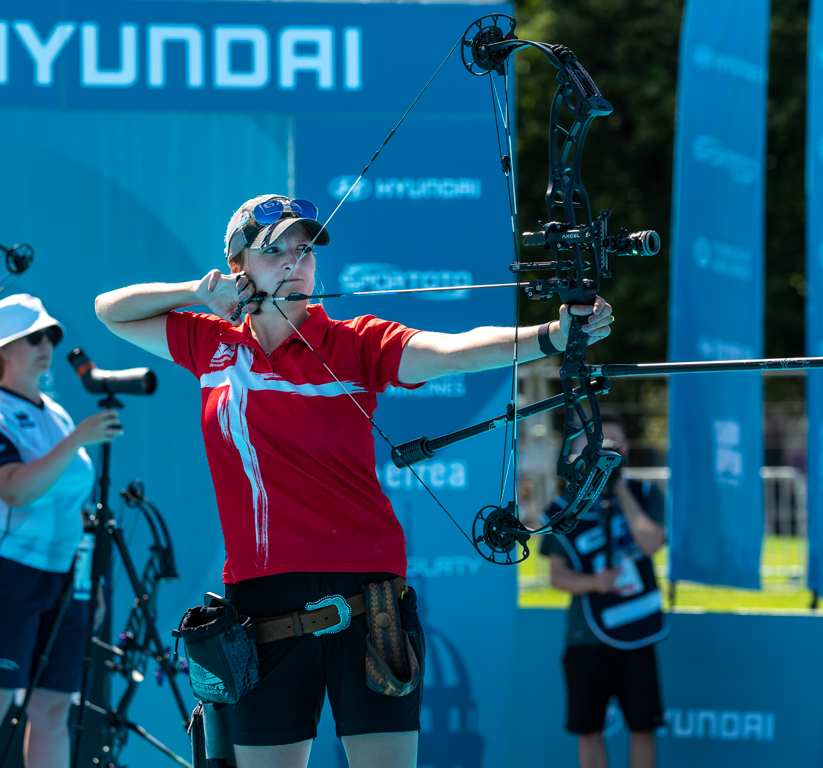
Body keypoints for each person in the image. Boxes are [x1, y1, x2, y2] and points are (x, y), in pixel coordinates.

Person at [94, 194, 614, 768]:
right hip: (259, 603)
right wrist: (200, 292)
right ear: (238, 266)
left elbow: (452, 353)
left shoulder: (354, 342)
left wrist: (551, 335)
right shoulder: (209, 342)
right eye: (277, 252)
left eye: (307, 250)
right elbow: (109, 309)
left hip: (370, 601)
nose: (298, 262)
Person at [0, 294, 122, 768]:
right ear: (5, 348)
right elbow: (14, 491)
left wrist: (90, 585)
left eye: (51, 334)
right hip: (12, 575)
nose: (47, 343)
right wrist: (77, 441)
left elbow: (75, 507)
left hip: (66, 579)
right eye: (34, 337)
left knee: (53, 708)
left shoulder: (58, 413)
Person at [540, 413, 667, 768]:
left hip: (638, 630)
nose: (608, 455)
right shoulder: (563, 509)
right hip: (585, 635)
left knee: (644, 725)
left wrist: (619, 486)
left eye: (615, 447)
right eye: (600, 447)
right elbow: (557, 576)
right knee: (589, 727)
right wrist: (596, 583)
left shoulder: (644, 494)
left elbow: (652, 542)